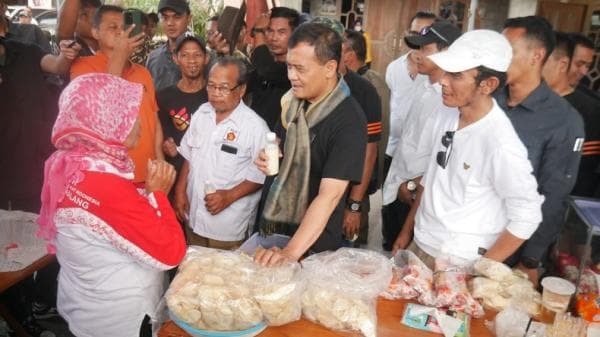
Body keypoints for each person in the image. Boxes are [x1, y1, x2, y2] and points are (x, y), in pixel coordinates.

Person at [38, 73, 186, 337]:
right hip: (120, 320)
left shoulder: (69, 163)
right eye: (129, 114)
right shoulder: (106, 188)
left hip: (83, 305)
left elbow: (108, 215)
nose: (140, 121)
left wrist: (143, 194)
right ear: (105, 120)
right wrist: (159, 195)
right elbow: (171, 253)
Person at [392, 29, 543, 268]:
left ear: (488, 84)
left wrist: (480, 271)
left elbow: (527, 214)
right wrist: (406, 231)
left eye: (456, 75)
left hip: (459, 261)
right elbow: (431, 177)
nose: (443, 81)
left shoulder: (500, 142)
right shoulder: (448, 112)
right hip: (421, 243)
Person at [254, 23, 367, 267]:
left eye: (300, 69)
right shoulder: (292, 104)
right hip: (274, 226)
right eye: (289, 66)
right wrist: (270, 157)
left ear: (329, 68)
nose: (291, 76)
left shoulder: (348, 121)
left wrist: (291, 253)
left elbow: (330, 196)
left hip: (311, 245)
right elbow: (282, 148)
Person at [497, 16, 585, 285]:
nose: (498, 58)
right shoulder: (489, 99)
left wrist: (531, 260)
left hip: (512, 249)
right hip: (466, 235)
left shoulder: (564, 121)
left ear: (536, 56)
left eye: (507, 51)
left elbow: (553, 195)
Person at [173, 57, 269, 249]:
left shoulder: (255, 127)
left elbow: (260, 176)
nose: (216, 94)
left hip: (228, 226)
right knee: (195, 269)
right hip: (194, 213)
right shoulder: (202, 113)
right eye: (211, 86)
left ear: (241, 90)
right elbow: (189, 154)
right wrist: (180, 191)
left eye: (224, 88)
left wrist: (229, 196)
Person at [384, 21, 462, 251]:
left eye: (425, 49)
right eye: (417, 48)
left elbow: (446, 156)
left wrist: (411, 186)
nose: (417, 55)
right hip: (396, 185)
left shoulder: (450, 100)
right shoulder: (422, 84)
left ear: (447, 52)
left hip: (416, 197)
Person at [70, 5, 164, 183]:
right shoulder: (83, 67)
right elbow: (102, 112)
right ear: (95, 32)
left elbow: (154, 121)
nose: (121, 32)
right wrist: (120, 56)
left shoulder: (143, 72)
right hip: (112, 176)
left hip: (148, 175)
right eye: (113, 27)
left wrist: (160, 162)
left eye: (124, 27)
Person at [314, 16, 381, 248]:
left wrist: (354, 205)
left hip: (343, 197)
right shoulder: (300, 90)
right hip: (309, 195)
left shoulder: (363, 92)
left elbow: (369, 153)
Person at [382, 11, 435, 251]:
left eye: (425, 35)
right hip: (394, 150)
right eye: (414, 33)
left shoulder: (437, 82)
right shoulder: (394, 68)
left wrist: (416, 182)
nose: (418, 41)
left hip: (420, 169)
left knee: (411, 224)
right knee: (390, 216)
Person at [543, 32, 600, 197]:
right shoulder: (531, 98)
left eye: (588, 66)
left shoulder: (592, 109)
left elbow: (586, 168)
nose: (583, 72)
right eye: (579, 64)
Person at [343, 29, 390, 195]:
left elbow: (373, 142)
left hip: (358, 178)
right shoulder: (370, 79)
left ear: (349, 55)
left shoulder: (367, 86)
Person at [157, 33, 209, 181]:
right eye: (185, 55)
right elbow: (159, 135)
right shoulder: (163, 96)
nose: (191, 60)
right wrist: (166, 146)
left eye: (197, 55)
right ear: (176, 58)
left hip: (207, 174)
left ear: (206, 58)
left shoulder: (215, 96)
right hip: (175, 173)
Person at [247, 7, 299, 130]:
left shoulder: (296, 70)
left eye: (281, 32)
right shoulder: (261, 67)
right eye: (269, 31)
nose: (273, 38)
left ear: (295, 34)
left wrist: (259, 32)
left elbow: (267, 70)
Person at [146, 0, 191, 92]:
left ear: (189, 18)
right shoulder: (153, 57)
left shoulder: (203, 57)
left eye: (177, 17)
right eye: (165, 17)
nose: (170, 23)